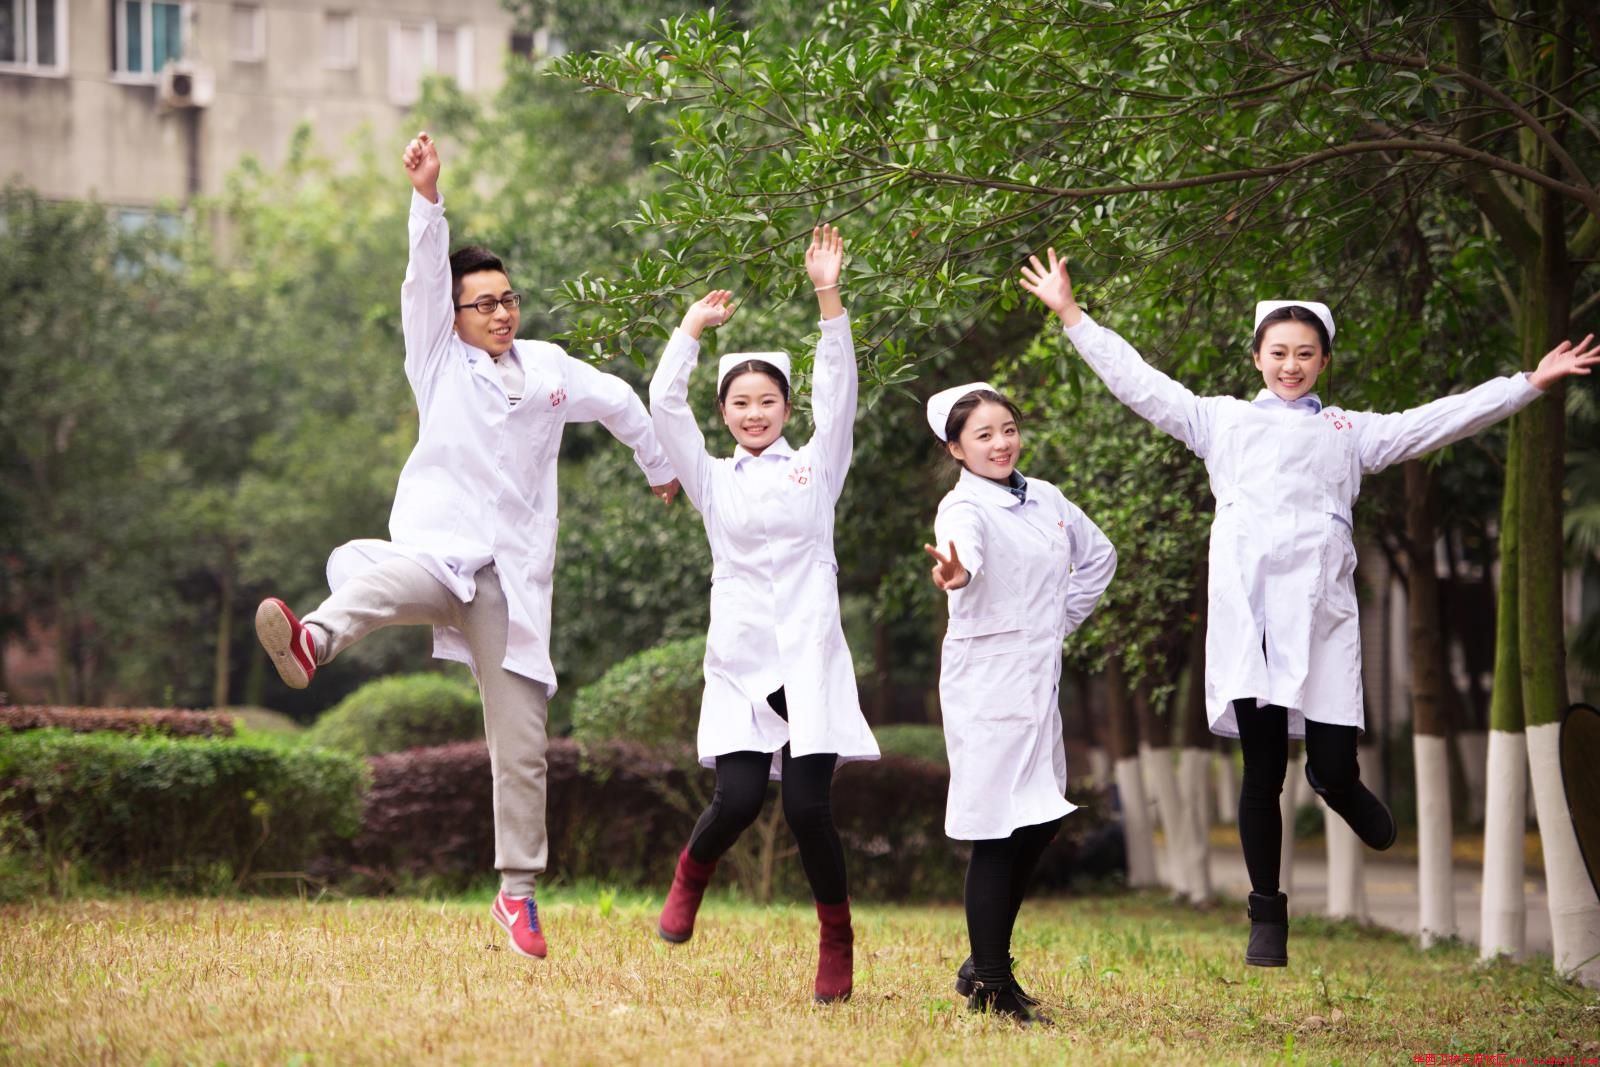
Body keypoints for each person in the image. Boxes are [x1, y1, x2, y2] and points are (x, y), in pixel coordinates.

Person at [1019, 246, 1600, 968]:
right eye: (1278, 352)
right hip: (1251, 619)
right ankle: (1267, 915)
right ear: (1257, 358)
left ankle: (1340, 784)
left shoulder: (1349, 433)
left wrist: (1527, 384)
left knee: (1328, 759)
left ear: (1323, 361)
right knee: (1262, 771)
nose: (1290, 365)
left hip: (1322, 615)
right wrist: (1072, 314)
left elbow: (1437, 420)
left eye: (1304, 353)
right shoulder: (1220, 422)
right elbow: (1140, 383)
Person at [253, 131, 679, 961]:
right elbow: (422, 276)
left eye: (507, 299)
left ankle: (516, 894)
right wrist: (427, 197)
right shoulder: (436, 358)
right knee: (381, 586)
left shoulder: (550, 367)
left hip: (509, 582)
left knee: (522, 745)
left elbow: (622, 402)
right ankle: (312, 640)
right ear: (453, 318)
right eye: (483, 303)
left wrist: (658, 466)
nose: (501, 312)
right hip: (438, 553)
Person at [646, 225, 880, 1004]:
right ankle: (691, 873)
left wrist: (828, 296)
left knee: (809, 809)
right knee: (739, 799)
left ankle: (836, 938)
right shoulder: (712, 480)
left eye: (768, 401)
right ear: (723, 412)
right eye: (741, 403)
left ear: (786, 407)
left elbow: (839, 395)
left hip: (809, 657)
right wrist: (689, 328)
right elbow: (663, 403)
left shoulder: (817, 467)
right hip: (744, 661)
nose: (755, 413)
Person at [922, 383, 1117, 1024]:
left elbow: (1099, 557)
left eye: (1007, 428)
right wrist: (958, 574)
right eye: (983, 435)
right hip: (987, 684)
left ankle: (982, 965)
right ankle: (992, 982)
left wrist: (1058, 623)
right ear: (956, 449)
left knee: (1039, 819)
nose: (1001, 443)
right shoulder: (962, 508)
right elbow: (965, 554)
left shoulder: (1047, 498)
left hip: (1037, 678)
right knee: (997, 829)